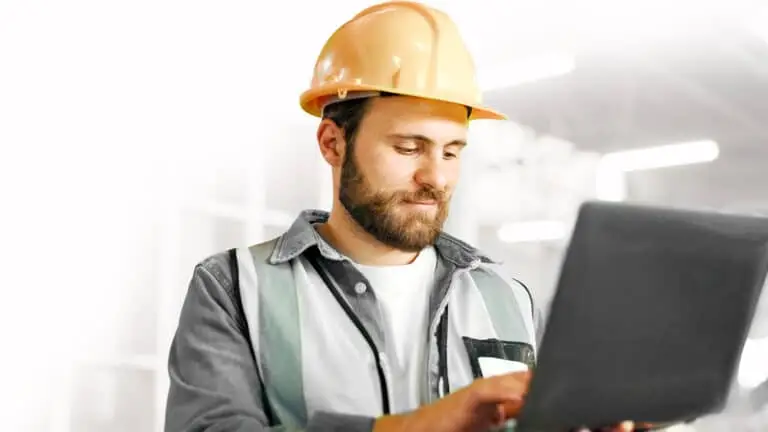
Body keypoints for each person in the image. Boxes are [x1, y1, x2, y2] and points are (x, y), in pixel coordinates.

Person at [165, 2, 637, 431]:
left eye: (452, 152)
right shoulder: (233, 288)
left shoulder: (509, 299)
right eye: (409, 148)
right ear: (333, 143)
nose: (436, 176)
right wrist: (417, 427)